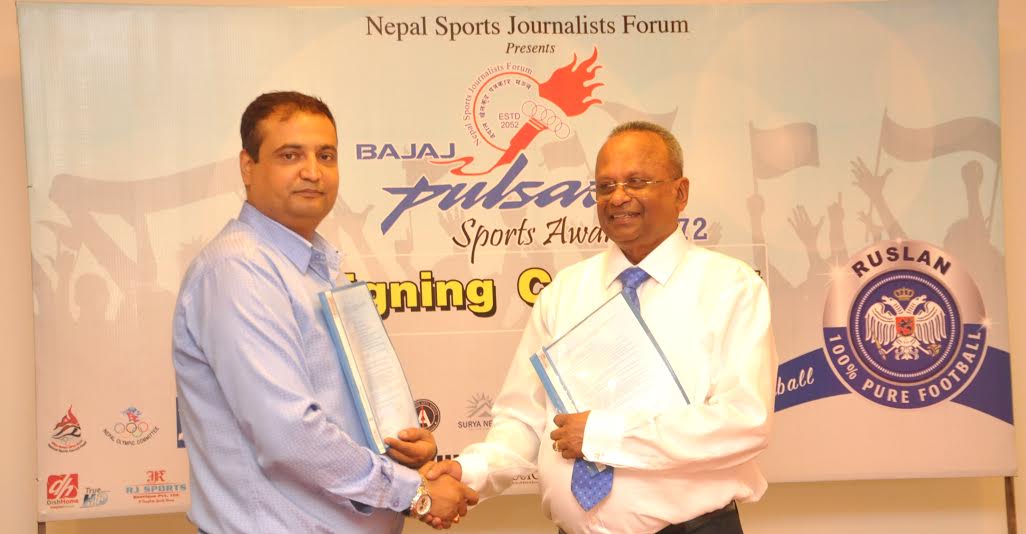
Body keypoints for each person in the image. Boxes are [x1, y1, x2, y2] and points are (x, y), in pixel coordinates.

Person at [427, 121, 777, 533]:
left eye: (637, 182)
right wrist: (469, 472)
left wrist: (603, 435)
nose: (618, 197)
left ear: (680, 192)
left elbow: (743, 421)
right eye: (605, 186)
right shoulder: (564, 292)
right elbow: (524, 419)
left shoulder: (731, 288)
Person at [172, 91, 477, 533]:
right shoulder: (239, 270)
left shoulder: (316, 266)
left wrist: (400, 448)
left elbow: (336, 408)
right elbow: (288, 433)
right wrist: (413, 493)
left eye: (326, 155)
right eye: (290, 155)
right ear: (248, 166)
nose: (313, 172)